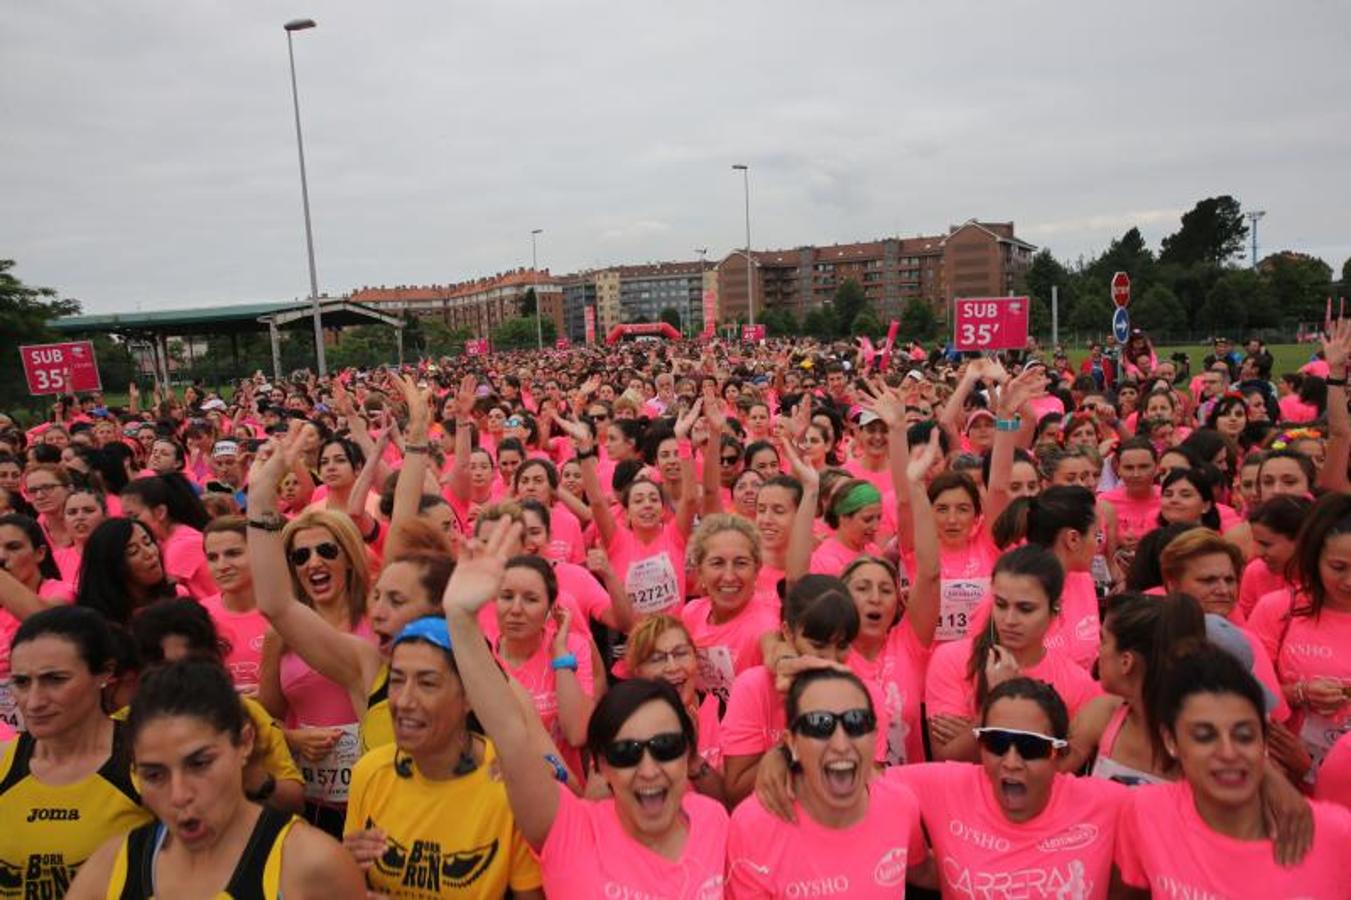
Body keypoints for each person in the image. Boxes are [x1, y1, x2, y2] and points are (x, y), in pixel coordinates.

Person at [444, 518, 729, 899]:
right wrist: (461, 620)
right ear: (601, 765)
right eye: (625, 753)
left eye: (665, 747)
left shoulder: (714, 822)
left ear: (688, 753)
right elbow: (512, 733)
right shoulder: (568, 828)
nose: (648, 768)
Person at [756, 677, 1129, 898]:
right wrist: (786, 755)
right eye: (996, 743)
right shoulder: (946, 786)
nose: (1011, 761)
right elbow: (854, 774)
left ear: (1057, 752)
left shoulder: (1107, 803)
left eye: (1030, 747)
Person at [66, 659, 364, 900]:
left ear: (245, 742)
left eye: (200, 764)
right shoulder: (111, 869)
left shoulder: (313, 866)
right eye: (154, 775)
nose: (179, 795)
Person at [1114, 647, 1350, 897]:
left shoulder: (1334, 834)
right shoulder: (1146, 813)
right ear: (1171, 741)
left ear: (1264, 739)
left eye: (1244, 736)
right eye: (1204, 737)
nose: (1228, 753)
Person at [341, 617, 545, 899]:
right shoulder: (370, 771)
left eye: (427, 683)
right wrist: (342, 869)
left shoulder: (510, 784)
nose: (403, 701)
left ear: (470, 697)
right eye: (397, 680)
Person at [725, 668, 930, 898]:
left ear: (875, 736)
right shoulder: (753, 826)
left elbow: (920, 869)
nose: (841, 744)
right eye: (819, 724)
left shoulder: (900, 804)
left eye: (857, 722)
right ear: (791, 743)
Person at [0, 607, 153, 897]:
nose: (33, 702)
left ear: (105, 673)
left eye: (55, 680)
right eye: (21, 682)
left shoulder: (146, 765)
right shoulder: (4, 764)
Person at [925, 545, 1100, 761]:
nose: (1009, 620)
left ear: (1054, 609)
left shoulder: (1078, 683)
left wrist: (982, 722)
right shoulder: (952, 659)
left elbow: (1058, 768)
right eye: (1000, 605)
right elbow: (947, 760)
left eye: (1025, 609)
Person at [625, 615, 726, 801]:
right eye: (657, 659)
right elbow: (595, 801)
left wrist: (693, 759)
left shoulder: (725, 710)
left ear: (696, 658)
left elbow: (730, 805)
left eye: (681, 654)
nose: (672, 667)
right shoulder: (623, 724)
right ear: (637, 672)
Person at [199, 516, 269, 693]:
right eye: (213, 557)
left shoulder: (287, 611)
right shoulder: (199, 614)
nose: (221, 566)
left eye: (233, 554)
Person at [120, 472, 216, 599]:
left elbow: (161, 592)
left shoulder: (183, 545)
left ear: (160, 512)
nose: (129, 523)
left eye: (134, 516)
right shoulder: (162, 541)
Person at [75, 518, 183, 625]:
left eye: (148, 542)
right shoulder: (96, 623)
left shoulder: (177, 597)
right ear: (112, 566)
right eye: (133, 551)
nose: (149, 553)